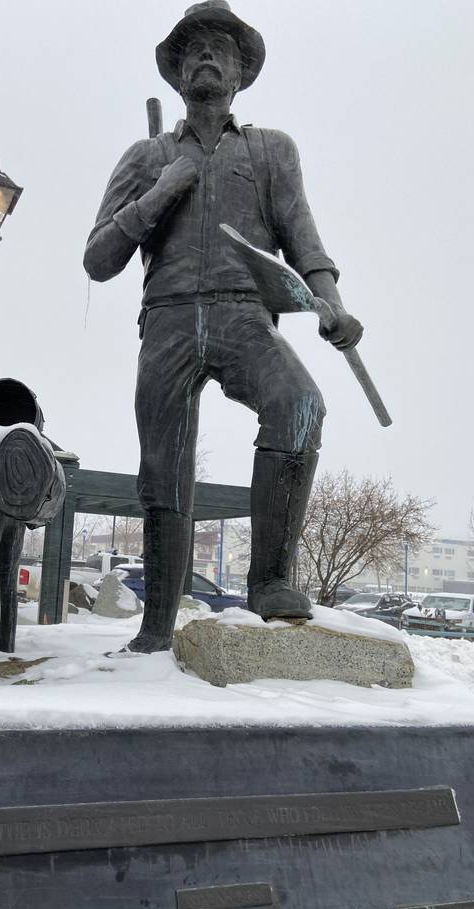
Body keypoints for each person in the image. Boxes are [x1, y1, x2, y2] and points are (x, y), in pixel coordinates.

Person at [84, 0, 363, 653]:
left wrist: (331, 304)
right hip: (170, 317)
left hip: (244, 313)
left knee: (299, 406)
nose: (207, 57)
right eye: (194, 49)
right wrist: (161, 192)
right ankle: (155, 627)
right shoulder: (146, 155)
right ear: (177, 72)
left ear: (241, 71)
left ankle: (269, 582)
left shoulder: (270, 151)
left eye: (223, 49)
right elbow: (98, 259)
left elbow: (305, 242)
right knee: (164, 467)